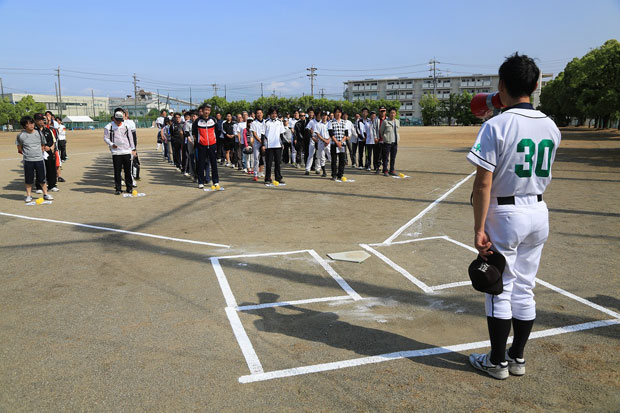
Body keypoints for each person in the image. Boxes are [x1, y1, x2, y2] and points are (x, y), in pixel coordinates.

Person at [467, 53, 561, 380]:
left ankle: (496, 362)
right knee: (525, 287)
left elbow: (482, 184)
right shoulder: (550, 125)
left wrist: (479, 228)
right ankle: (516, 357)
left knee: (499, 288)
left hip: (505, 213)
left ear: (501, 85)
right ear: (535, 86)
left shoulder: (497, 124)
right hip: (538, 210)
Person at [15, 116, 53, 202]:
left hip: (39, 159)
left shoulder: (39, 133)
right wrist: (27, 154)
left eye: (32, 123)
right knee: (28, 179)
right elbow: (19, 147)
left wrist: (39, 152)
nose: (31, 125)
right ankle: (29, 195)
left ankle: (46, 194)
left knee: (42, 178)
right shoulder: (21, 135)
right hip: (28, 160)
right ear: (24, 126)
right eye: (28, 124)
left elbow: (43, 144)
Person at [103, 109, 137, 195]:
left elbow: (130, 138)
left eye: (121, 120)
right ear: (114, 119)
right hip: (116, 152)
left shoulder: (126, 126)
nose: (119, 122)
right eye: (117, 121)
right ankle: (118, 189)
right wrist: (111, 144)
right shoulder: (108, 127)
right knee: (117, 171)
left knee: (128, 171)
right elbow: (105, 138)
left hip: (126, 151)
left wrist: (133, 149)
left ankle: (129, 188)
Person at [192, 104, 219, 189]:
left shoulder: (213, 120)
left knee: (214, 164)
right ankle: (201, 182)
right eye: (205, 110)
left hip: (212, 145)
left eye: (208, 110)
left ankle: (216, 181)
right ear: (202, 111)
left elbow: (217, 132)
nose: (206, 112)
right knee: (201, 164)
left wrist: (214, 142)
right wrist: (200, 141)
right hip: (202, 146)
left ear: (210, 111)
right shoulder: (197, 121)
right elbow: (194, 134)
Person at [34, 113, 58, 193]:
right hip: (38, 153)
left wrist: (48, 146)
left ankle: (52, 185)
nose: (41, 121)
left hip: (47, 152)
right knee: (39, 170)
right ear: (35, 121)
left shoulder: (47, 130)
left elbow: (51, 140)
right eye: (39, 120)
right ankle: (39, 187)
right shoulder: (33, 131)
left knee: (51, 168)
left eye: (42, 120)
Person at [262, 107, 286, 185]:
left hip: (278, 145)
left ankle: (278, 178)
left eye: (275, 113)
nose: (274, 115)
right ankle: (267, 178)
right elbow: (262, 134)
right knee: (268, 163)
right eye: (273, 113)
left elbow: (281, 134)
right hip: (269, 146)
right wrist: (263, 145)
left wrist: (282, 143)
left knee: (277, 163)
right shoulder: (266, 122)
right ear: (270, 114)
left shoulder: (280, 122)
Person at [328, 107, 348, 181]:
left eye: (339, 112)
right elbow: (331, 134)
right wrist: (337, 142)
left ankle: (340, 174)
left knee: (342, 160)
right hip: (334, 143)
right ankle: (334, 174)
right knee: (334, 160)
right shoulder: (331, 122)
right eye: (337, 112)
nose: (338, 114)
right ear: (334, 113)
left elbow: (346, 134)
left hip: (342, 144)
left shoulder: (344, 122)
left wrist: (341, 142)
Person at [379, 108, 400, 176]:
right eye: (391, 113)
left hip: (395, 142)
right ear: (389, 113)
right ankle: (385, 170)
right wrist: (385, 137)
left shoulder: (397, 121)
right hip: (387, 142)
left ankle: (392, 170)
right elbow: (381, 132)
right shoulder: (385, 122)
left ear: (395, 114)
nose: (392, 114)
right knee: (385, 157)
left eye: (394, 113)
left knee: (393, 157)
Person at [250, 108, 266, 181]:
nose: (259, 114)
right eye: (258, 113)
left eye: (260, 113)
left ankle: (265, 173)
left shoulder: (266, 122)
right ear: (256, 115)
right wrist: (259, 140)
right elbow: (254, 133)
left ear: (262, 114)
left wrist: (264, 141)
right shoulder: (253, 123)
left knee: (265, 159)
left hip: (265, 142)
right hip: (257, 142)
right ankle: (255, 174)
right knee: (256, 159)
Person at [313, 111, 330, 177]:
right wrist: (324, 140)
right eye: (323, 115)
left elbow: (332, 133)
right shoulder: (318, 124)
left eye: (325, 115)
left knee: (330, 156)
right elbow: (317, 134)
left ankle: (334, 170)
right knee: (322, 157)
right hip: (321, 142)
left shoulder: (329, 124)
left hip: (328, 142)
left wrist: (328, 140)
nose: (324, 117)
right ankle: (324, 171)